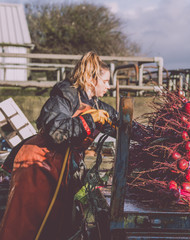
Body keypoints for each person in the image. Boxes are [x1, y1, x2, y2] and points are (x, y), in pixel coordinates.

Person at [0, 51, 118, 239]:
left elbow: (120, 122)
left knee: (54, 225)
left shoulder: (96, 103)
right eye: (105, 81)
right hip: (37, 163)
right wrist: (89, 119)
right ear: (90, 79)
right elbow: (57, 131)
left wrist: (151, 135)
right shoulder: (64, 95)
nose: (108, 86)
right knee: (28, 225)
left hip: (60, 168)